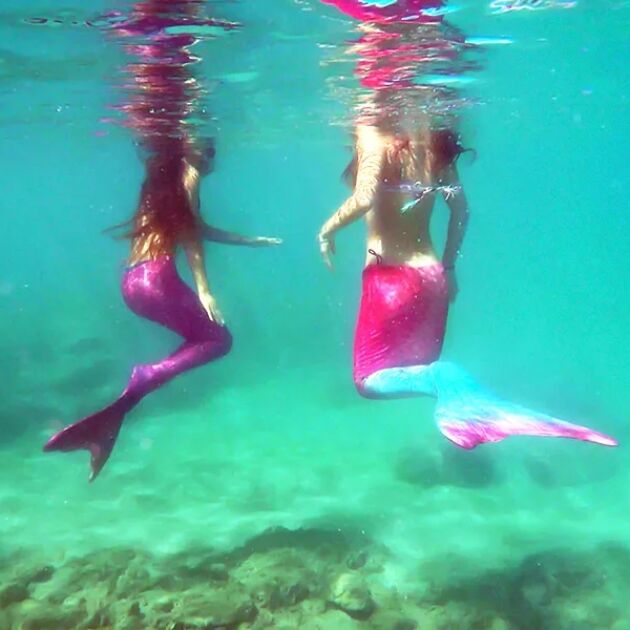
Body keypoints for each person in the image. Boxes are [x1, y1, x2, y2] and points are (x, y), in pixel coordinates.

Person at [43, 1, 281, 481]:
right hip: (158, 280)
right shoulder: (188, 172)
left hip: (134, 282)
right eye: (209, 147)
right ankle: (145, 379)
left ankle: (123, 407)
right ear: (193, 146)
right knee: (218, 339)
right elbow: (191, 235)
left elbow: (187, 226)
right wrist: (207, 289)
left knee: (206, 337)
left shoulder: (162, 176)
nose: (214, 156)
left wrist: (247, 240)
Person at [317, 119, 616, 449]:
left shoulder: (373, 130)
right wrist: (449, 267)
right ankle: (464, 393)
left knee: (368, 380)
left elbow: (363, 198)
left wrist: (326, 231)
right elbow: (461, 210)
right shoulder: (430, 142)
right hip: (431, 279)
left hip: (390, 282)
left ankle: (449, 377)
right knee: (415, 370)